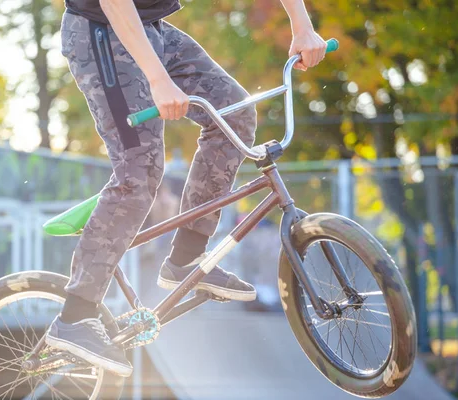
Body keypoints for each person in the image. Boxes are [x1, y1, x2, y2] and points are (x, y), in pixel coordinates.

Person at [45, 0, 327, 377]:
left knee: (235, 112)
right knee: (140, 170)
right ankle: (76, 314)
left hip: (152, 29)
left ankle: (186, 259)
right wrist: (159, 79)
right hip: (101, 32)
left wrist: (302, 26)